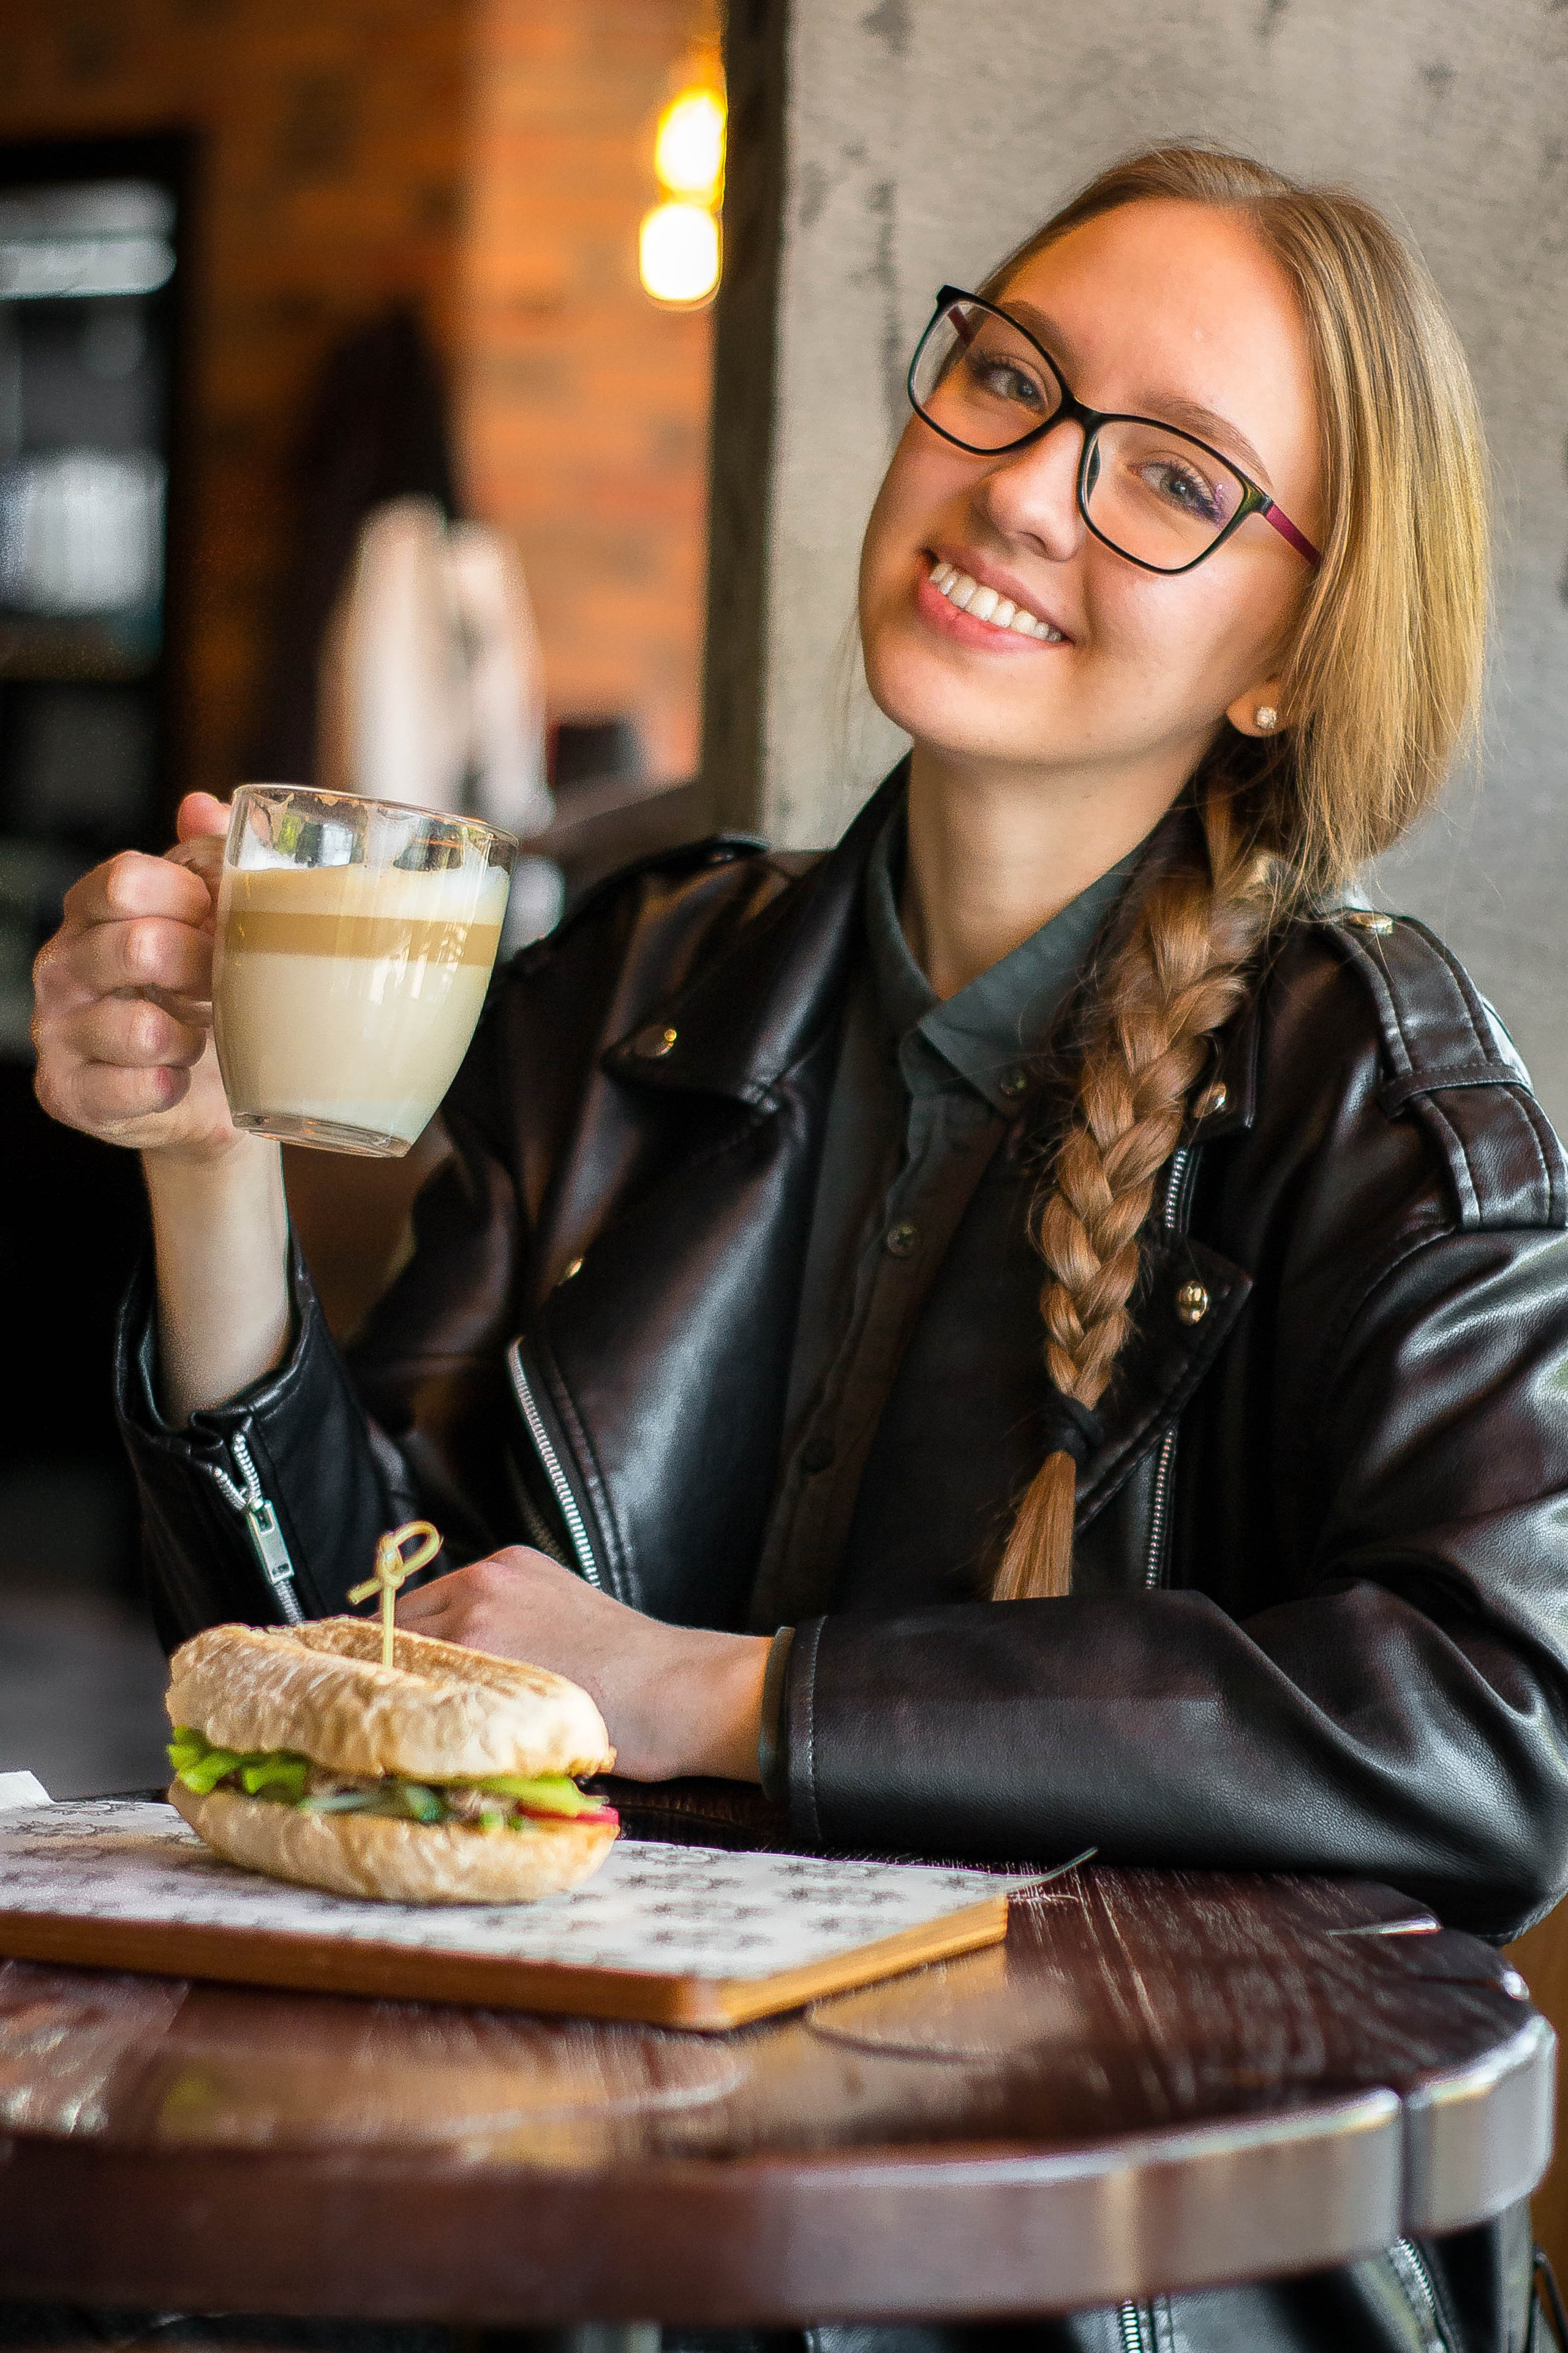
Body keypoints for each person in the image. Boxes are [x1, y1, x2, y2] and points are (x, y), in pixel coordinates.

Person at [32, 145, 1568, 2353]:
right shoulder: (631, 984)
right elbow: (364, 1713)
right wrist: (203, 1171)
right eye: (1013, 383)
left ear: (1290, 651)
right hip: (586, 2224)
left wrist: (736, 1693)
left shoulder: (1375, 1094)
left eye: (1171, 479)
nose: (1034, 490)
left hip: (1098, 2287)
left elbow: (1494, 1721)